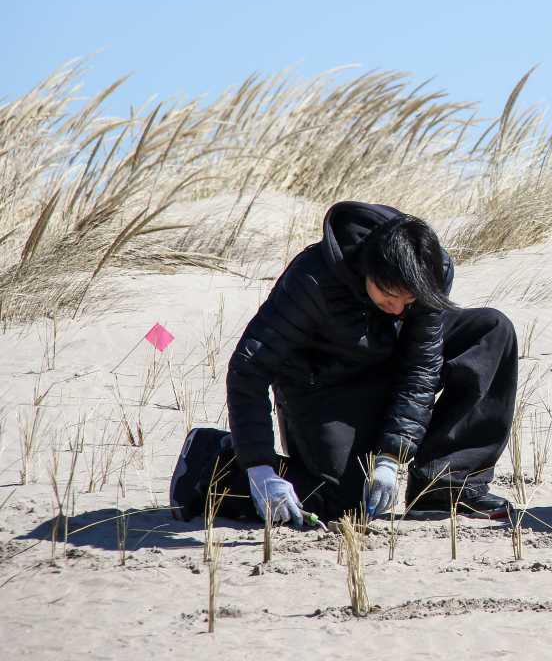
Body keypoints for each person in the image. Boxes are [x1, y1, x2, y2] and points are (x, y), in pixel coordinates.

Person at [168, 201, 518, 527]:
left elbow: (421, 368)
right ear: (369, 269)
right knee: (345, 505)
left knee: (490, 329)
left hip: (389, 363)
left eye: (409, 300)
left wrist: (390, 459)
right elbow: (249, 368)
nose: (399, 309)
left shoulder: (428, 271)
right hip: (324, 386)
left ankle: (444, 488)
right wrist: (259, 468)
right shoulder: (312, 280)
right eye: (390, 295)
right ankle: (214, 462)